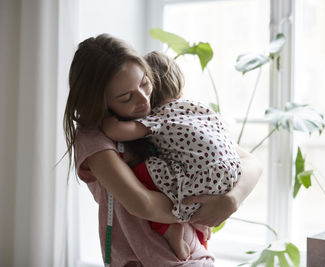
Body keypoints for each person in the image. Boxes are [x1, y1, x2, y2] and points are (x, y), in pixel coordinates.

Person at [63, 33, 262, 267]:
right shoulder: (94, 139)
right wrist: (199, 211)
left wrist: (231, 200)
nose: (144, 100)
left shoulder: (160, 114)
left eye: (144, 82)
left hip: (196, 258)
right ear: (99, 102)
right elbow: (143, 203)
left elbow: (251, 163)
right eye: (126, 97)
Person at [101, 51, 242, 260]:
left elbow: (117, 132)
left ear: (152, 87)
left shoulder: (159, 117)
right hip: (232, 173)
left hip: (202, 180)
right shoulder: (198, 107)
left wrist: (106, 121)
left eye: (143, 85)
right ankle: (200, 224)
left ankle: (170, 229)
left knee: (139, 171)